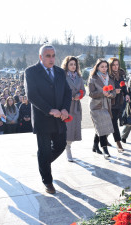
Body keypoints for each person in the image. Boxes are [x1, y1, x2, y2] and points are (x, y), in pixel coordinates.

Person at [25, 44, 72, 194]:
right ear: (40, 57)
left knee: (61, 145)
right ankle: (48, 181)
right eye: (47, 56)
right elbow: (32, 95)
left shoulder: (59, 72)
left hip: (60, 118)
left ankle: (43, 164)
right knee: (44, 151)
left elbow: (67, 92)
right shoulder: (31, 72)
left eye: (53, 56)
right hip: (43, 119)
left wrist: (65, 108)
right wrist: (49, 110)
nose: (51, 59)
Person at [89, 59, 116, 158]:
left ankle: (95, 145)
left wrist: (110, 95)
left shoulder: (110, 79)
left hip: (107, 106)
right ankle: (105, 150)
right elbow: (91, 93)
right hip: (96, 106)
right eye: (102, 67)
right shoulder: (93, 78)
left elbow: (113, 93)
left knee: (103, 128)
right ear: (97, 67)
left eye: (106, 66)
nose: (104, 69)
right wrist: (102, 93)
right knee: (102, 127)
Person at [61, 56, 86, 162]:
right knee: (67, 129)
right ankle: (67, 149)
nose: (73, 66)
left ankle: (68, 145)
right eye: (71, 64)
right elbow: (60, 90)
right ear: (66, 65)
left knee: (74, 128)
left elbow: (83, 90)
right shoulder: (63, 76)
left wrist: (79, 95)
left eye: (75, 64)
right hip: (67, 106)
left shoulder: (79, 78)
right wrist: (68, 97)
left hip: (76, 106)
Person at [108, 57, 127, 153]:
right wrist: (114, 91)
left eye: (117, 64)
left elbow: (124, 87)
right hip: (111, 103)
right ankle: (118, 143)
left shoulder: (121, 75)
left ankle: (102, 139)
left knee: (110, 123)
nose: (116, 67)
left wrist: (127, 94)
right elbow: (105, 89)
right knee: (114, 123)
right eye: (113, 65)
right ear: (110, 66)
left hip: (120, 103)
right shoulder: (108, 76)